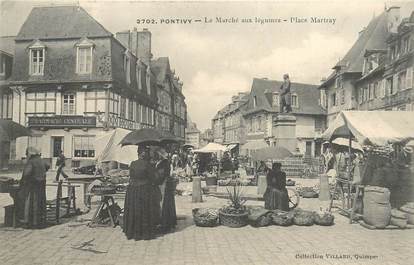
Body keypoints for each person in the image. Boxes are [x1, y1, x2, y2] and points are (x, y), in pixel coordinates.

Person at [123, 145, 159, 240]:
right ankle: (144, 233)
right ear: (144, 154)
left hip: (132, 190)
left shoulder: (133, 163)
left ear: (138, 154)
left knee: (134, 210)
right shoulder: (148, 165)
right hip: (144, 190)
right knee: (144, 211)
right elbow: (153, 178)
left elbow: (131, 176)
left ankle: (132, 233)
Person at [17, 147, 49, 228]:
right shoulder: (41, 160)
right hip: (41, 186)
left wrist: (22, 181)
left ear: (30, 154)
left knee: (29, 202)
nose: (26, 156)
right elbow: (47, 166)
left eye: (27, 154)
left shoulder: (31, 161)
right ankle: (39, 222)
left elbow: (26, 174)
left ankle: (30, 222)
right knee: (40, 203)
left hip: (33, 186)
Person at [156, 148, 177, 232]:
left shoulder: (164, 162)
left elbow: (162, 174)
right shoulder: (162, 162)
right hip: (164, 184)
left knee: (164, 204)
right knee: (167, 204)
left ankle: (165, 223)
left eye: (157, 154)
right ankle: (167, 222)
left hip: (163, 184)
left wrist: (155, 174)